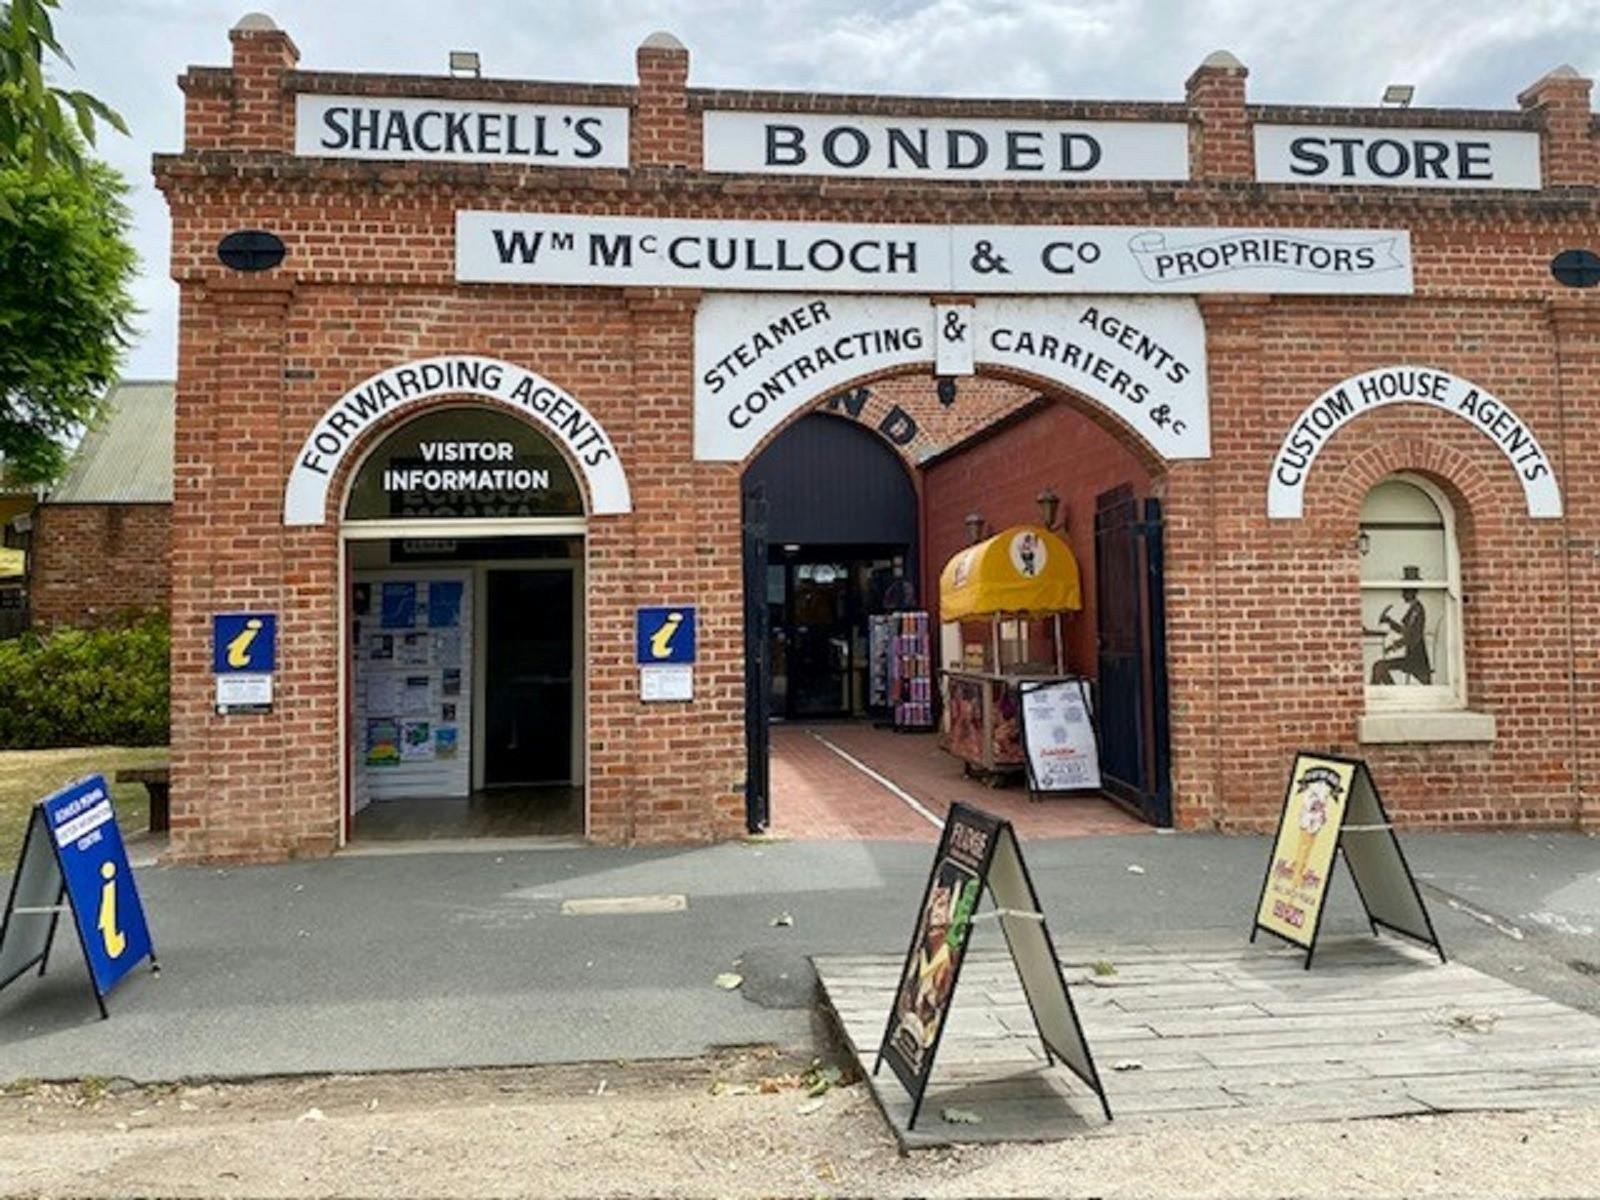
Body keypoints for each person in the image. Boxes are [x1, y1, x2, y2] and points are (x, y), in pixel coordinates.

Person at [1366, 566, 1432, 685]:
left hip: (1417, 660)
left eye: (1405, 590)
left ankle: (1389, 692)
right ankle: (1392, 691)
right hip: (1411, 658)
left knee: (1379, 667)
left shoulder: (1417, 610)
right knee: (1379, 667)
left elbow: (1412, 636)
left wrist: (1394, 645)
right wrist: (1389, 622)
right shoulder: (1413, 609)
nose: (1402, 594)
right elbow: (1405, 631)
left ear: (1412, 591)